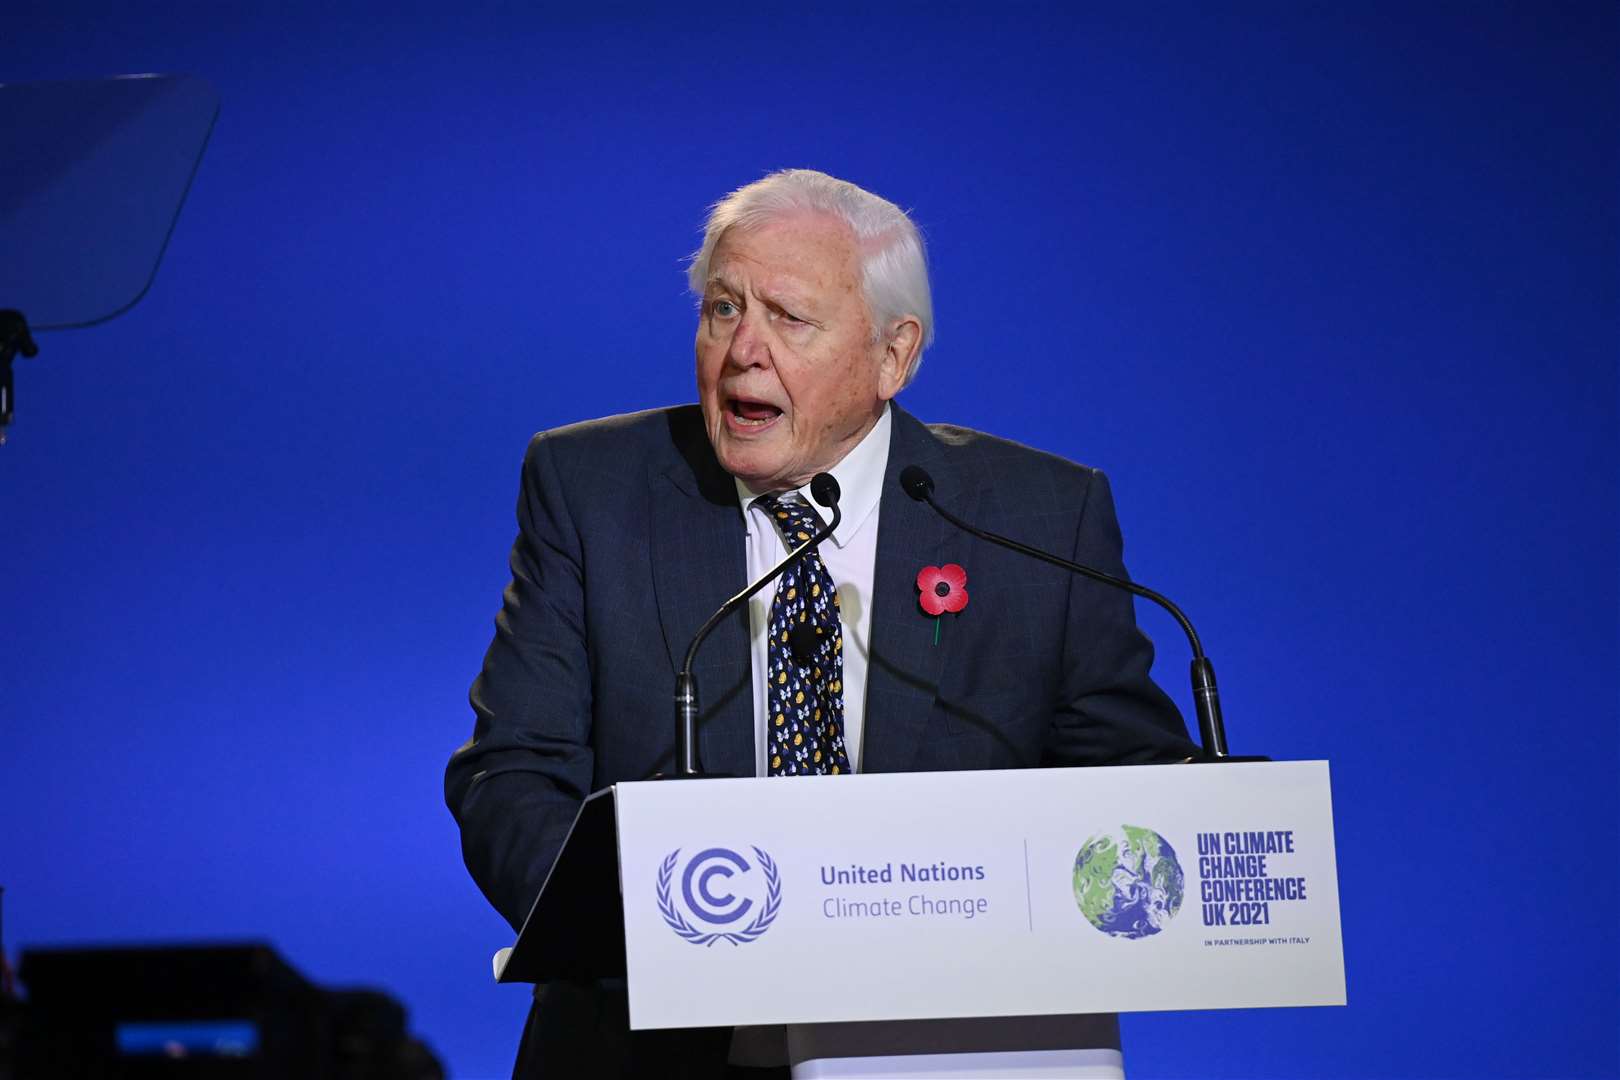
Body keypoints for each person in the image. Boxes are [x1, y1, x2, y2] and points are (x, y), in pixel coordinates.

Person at [445, 169, 1198, 1078]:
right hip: (649, 1041)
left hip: (947, 1044)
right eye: (723, 309)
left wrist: (1222, 826)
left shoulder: (1039, 517)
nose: (742, 352)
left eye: (788, 318)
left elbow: (1128, 782)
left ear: (893, 355)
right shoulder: (594, 489)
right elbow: (512, 771)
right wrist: (637, 931)